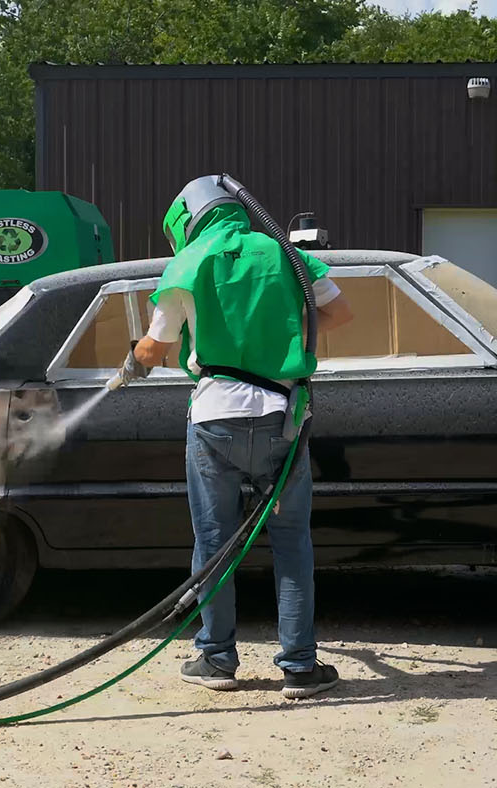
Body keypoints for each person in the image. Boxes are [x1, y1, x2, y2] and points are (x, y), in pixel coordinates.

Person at [130, 176, 353, 699]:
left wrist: (134, 357)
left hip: (214, 420)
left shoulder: (188, 263)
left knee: (214, 543)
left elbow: (152, 350)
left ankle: (216, 659)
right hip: (283, 416)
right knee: (292, 543)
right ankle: (299, 668)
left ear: (189, 219)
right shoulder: (283, 255)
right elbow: (340, 313)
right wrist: (279, 323)